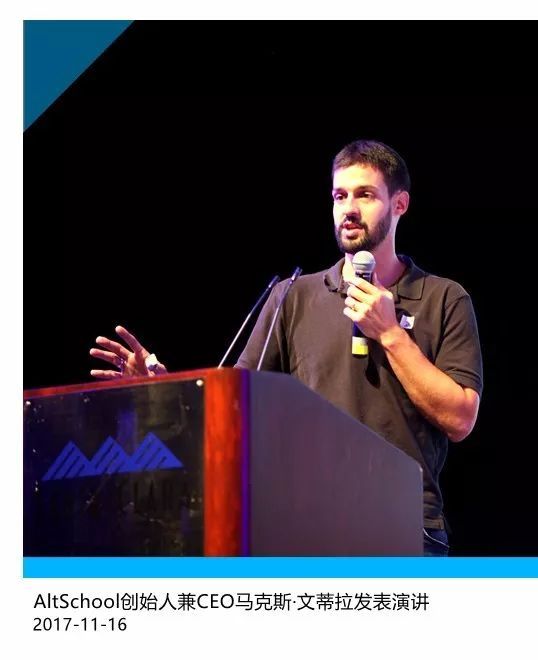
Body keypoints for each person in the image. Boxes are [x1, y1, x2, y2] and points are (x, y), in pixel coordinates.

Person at [90, 140, 483, 556]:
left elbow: (460, 418)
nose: (349, 209)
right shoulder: (293, 297)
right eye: (339, 196)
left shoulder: (443, 298)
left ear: (399, 203)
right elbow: (235, 406)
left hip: (404, 525)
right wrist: (164, 388)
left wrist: (390, 334)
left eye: (365, 195)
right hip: (306, 523)